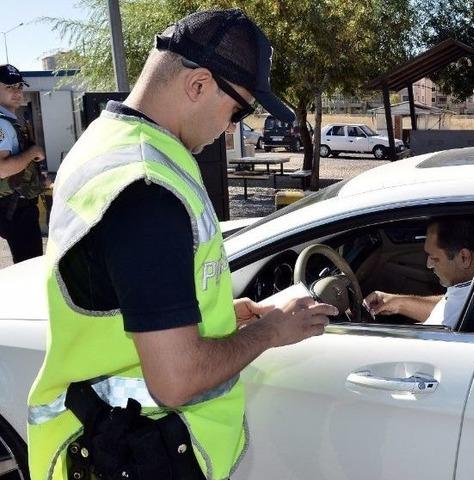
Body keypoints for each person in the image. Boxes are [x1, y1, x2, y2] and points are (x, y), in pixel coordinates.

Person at [27, 9, 337, 480]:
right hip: (135, 452)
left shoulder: (109, 143)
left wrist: (223, 314)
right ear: (197, 85)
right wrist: (270, 332)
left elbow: (116, 294)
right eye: (238, 111)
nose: (232, 129)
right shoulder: (148, 187)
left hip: (112, 442)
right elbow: (175, 381)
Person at [364, 215, 474, 328]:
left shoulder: (469, 321)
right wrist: (398, 303)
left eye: (434, 258)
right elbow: (448, 304)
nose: (428, 264)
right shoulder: (472, 290)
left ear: (464, 258)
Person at [0, 64, 46, 263]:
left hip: (18, 203)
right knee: (30, 267)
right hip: (15, 207)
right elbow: (2, 169)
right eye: (9, 87)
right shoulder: (1, 123)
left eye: (19, 86)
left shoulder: (10, 120)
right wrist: (33, 152)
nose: (17, 92)